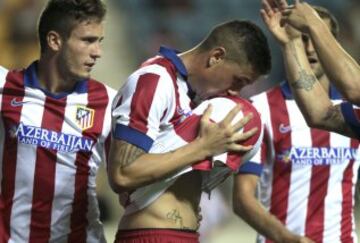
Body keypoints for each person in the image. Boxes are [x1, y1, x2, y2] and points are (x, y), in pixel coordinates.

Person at [108, 20, 272, 242]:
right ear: (216, 57)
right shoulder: (154, 80)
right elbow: (122, 174)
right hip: (152, 235)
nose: (235, 91)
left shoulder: (194, 95)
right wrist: (202, 148)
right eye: (237, 80)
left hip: (185, 234)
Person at [233, 1, 360, 243]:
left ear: (332, 46)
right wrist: (290, 239)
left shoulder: (353, 106)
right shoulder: (261, 110)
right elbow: (242, 199)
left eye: (317, 38)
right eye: (302, 38)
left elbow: (354, 89)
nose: (311, 49)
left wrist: (310, 24)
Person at [0, 0, 116, 242]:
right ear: (54, 41)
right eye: (87, 40)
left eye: (99, 41)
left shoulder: (111, 102)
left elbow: (130, 176)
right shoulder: (5, 87)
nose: (98, 52)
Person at [266, 0, 360, 139]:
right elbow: (321, 115)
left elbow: (355, 90)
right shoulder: (264, 104)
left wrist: (314, 24)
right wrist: (292, 43)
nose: (310, 49)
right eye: (304, 40)